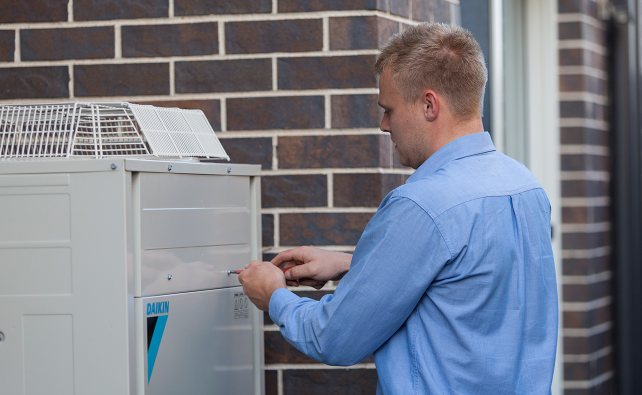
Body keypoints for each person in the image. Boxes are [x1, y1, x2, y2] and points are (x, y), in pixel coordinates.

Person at [238, 23, 558, 394]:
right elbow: (471, 278)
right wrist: (352, 264)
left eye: (388, 109)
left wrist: (274, 295)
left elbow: (334, 338)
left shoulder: (421, 205)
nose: (383, 125)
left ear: (428, 105)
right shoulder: (524, 186)